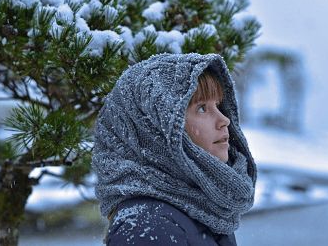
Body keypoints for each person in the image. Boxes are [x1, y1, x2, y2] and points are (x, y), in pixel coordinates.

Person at [92, 53, 257, 245]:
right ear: (156, 131)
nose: (224, 120)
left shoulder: (201, 208)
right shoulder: (149, 226)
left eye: (218, 105)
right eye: (202, 108)